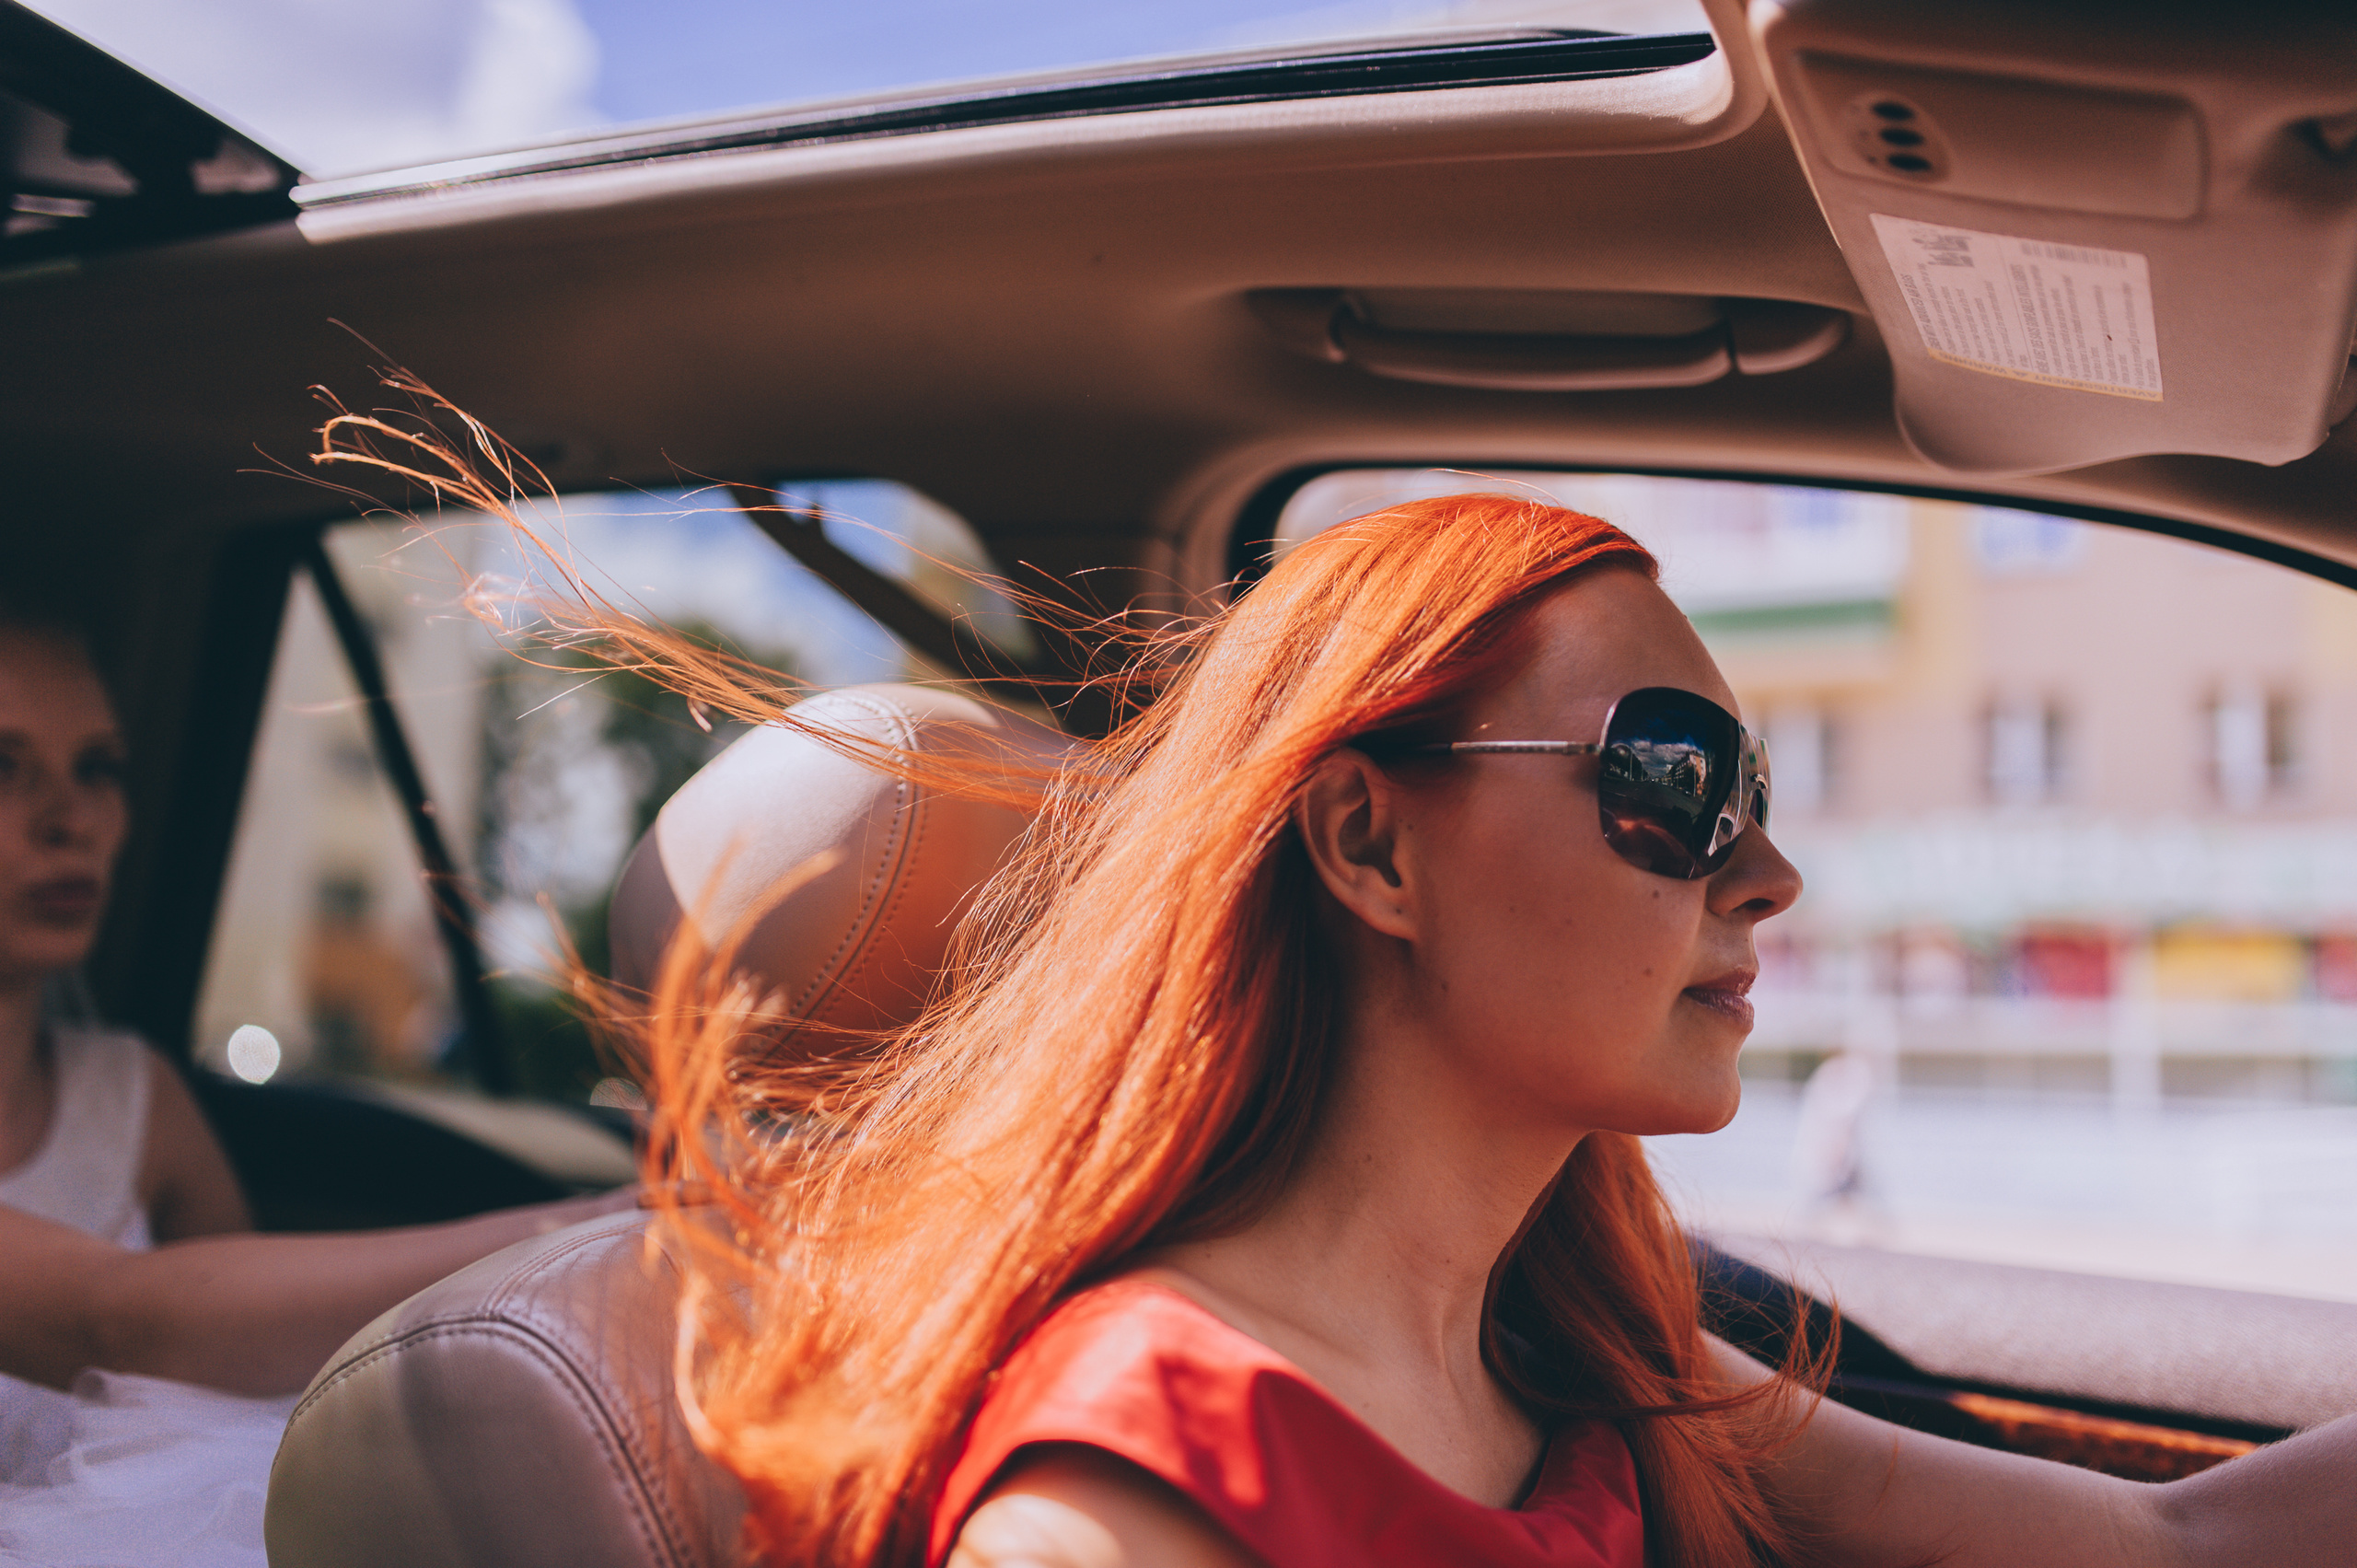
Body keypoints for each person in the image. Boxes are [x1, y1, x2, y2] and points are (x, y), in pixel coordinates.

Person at [575, 492, 2353, 1568]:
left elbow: (2164, 1540)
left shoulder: (1574, 1344)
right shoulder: (1129, 1478)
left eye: (1754, 790)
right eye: (1677, 783)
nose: (1773, 873)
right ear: (1368, 841)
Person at [0, 612, 633, 1560]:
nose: (71, 817)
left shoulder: (132, 1094)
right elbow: (129, 1318)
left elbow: (260, 1359)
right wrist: (591, 1228)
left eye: (98, 767)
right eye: (3, 766)